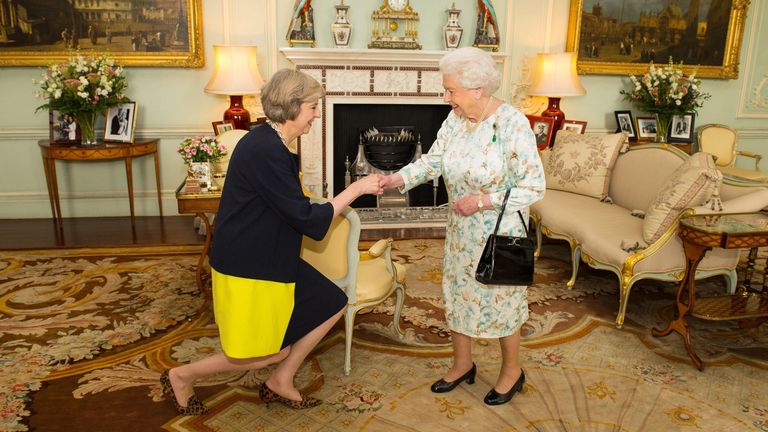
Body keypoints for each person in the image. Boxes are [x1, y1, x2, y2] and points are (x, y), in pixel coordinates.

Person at [160, 69, 384, 415]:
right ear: (293, 107)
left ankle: (281, 380)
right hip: (249, 263)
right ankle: (181, 375)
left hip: (271, 252)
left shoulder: (272, 141)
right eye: (312, 107)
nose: (316, 114)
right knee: (268, 351)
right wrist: (355, 189)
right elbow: (309, 222)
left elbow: (291, 201)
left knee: (332, 300)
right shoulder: (265, 149)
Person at [380, 47, 545, 406]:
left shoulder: (512, 124)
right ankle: (462, 363)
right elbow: (432, 162)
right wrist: (395, 179)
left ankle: (511, 371)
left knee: (501, 300)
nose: (446, 97)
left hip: (499, 232)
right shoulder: (455, 120)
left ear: (477, 90)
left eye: (451, 90)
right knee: (458, 295)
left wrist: (482, 201)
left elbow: (533, 186)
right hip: (461, 231)